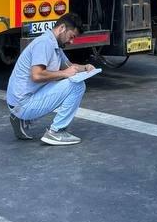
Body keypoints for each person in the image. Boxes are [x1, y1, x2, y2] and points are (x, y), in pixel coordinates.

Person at [5, 13, 94, 146]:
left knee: (65, 77)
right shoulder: (44, 43)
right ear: (62, 28)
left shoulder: (54, 44)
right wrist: (64, 74)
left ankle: (18, 118)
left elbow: (70, 66)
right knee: (77, 86)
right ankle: (56, 132)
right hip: (23, 104)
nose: (71, 42)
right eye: (71, 37)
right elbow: (36, 75)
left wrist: (86, 68)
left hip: (19, 102)